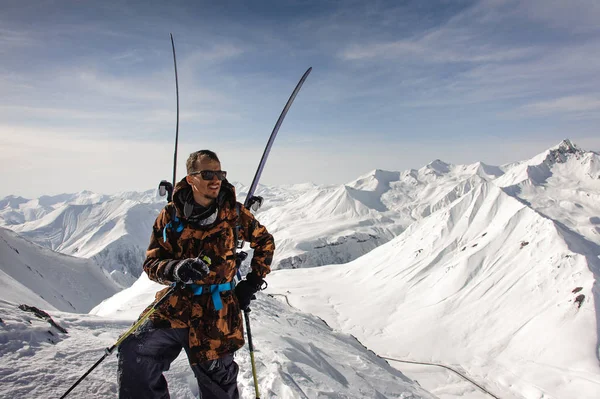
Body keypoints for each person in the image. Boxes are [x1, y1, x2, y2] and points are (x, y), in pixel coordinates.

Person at [118, 150, 275, 399]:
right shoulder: (171, 215)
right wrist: (175, 269)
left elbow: (265, 241)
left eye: (220, 173)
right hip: (176, 303)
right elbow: (152, 263)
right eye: (208, 174)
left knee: (218, 384)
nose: (216, 180)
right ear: (191, 178)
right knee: (133, 351)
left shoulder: (234, 213)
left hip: (217, 312)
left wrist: (252, 283)